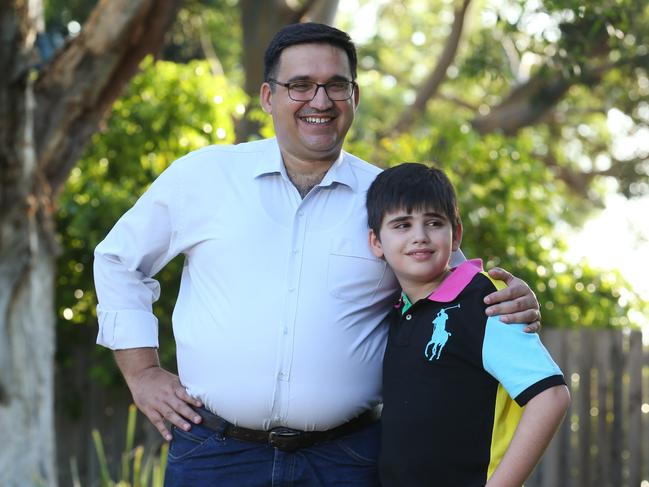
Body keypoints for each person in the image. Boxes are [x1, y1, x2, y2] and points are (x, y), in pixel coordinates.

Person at [93, 23, 542, 486]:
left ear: (355, 96)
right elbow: (118, 261)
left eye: (336, 85)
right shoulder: (204, 177)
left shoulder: (391, 200)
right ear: (268, 97)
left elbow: (451, 287)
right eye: (300, 85)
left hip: (346, 460)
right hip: (215, 455)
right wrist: (142, 371)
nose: (320, 101)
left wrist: (511, 301)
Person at [366, 163, 571, 487]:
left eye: (433, 222)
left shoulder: (486, 302)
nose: (419, 236)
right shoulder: (398, 309)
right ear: (376, 242)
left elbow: (551, 397)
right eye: (402, 225)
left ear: (456, 233)